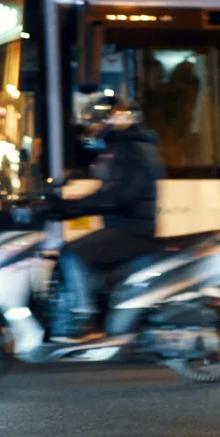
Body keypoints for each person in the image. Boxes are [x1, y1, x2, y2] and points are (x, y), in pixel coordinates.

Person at [50, 93, 165, 340]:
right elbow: (107, 192)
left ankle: (84, 316)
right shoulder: (121, 148)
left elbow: (115, 196)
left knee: (72, 254)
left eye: (97, 122)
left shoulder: (131, 150)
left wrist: (69, 208)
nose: (93, 128)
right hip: (125, 225)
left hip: (133, 230)